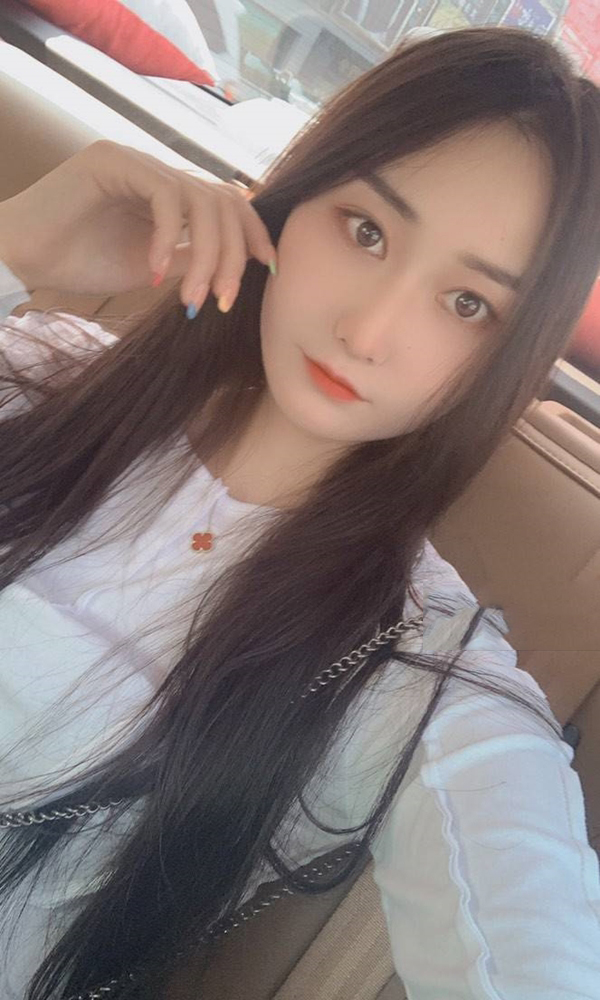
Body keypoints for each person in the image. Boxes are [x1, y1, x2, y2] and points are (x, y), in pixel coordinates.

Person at [0, 24, 599, 1000]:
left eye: (467, 305)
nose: (368, 331)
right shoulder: (37, 372)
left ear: (514, 359)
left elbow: (532, 944)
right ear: (292, 198)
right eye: (367, 231)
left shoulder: (409, 666)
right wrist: (14, 245)